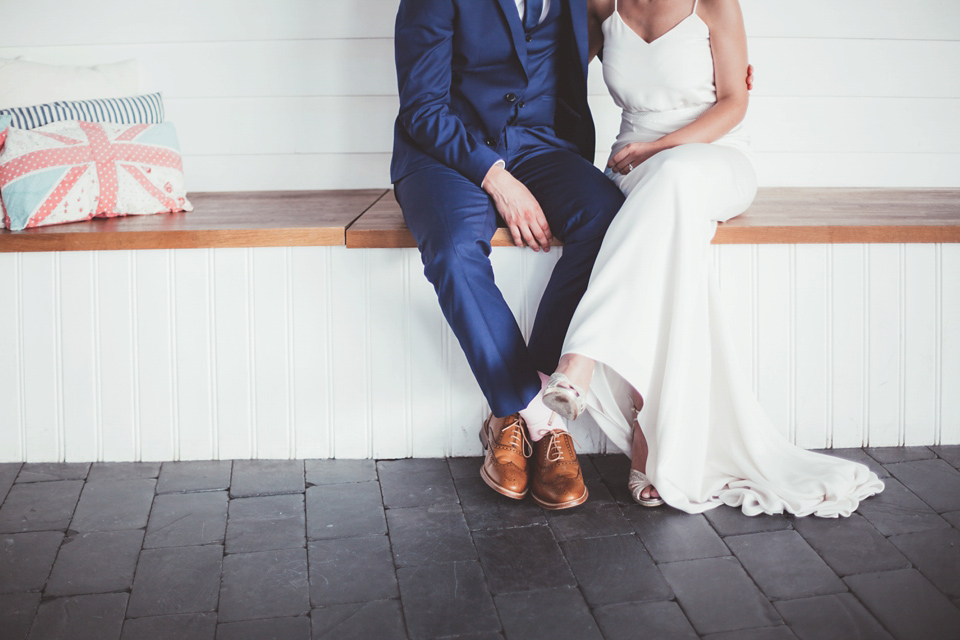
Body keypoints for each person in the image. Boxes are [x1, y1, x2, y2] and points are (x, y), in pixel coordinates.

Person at [542, 0, 884, 516]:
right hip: (635, 167)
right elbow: (552, 77)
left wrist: (663, 148)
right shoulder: (600, 7)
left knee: (674, 180)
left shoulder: (715, 6)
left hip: (713, 156)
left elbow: (733, 102)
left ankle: (581, 358)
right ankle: (650, 433)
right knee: (661, 231)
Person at [391, 0, 627, 509]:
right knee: (454, 250)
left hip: (541, 145)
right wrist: (496, 178)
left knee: (608, 217)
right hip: (447, 152)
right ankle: (541, 420)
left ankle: (510, 416)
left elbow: (634, 24)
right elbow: (422, 106)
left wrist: (711, 74)